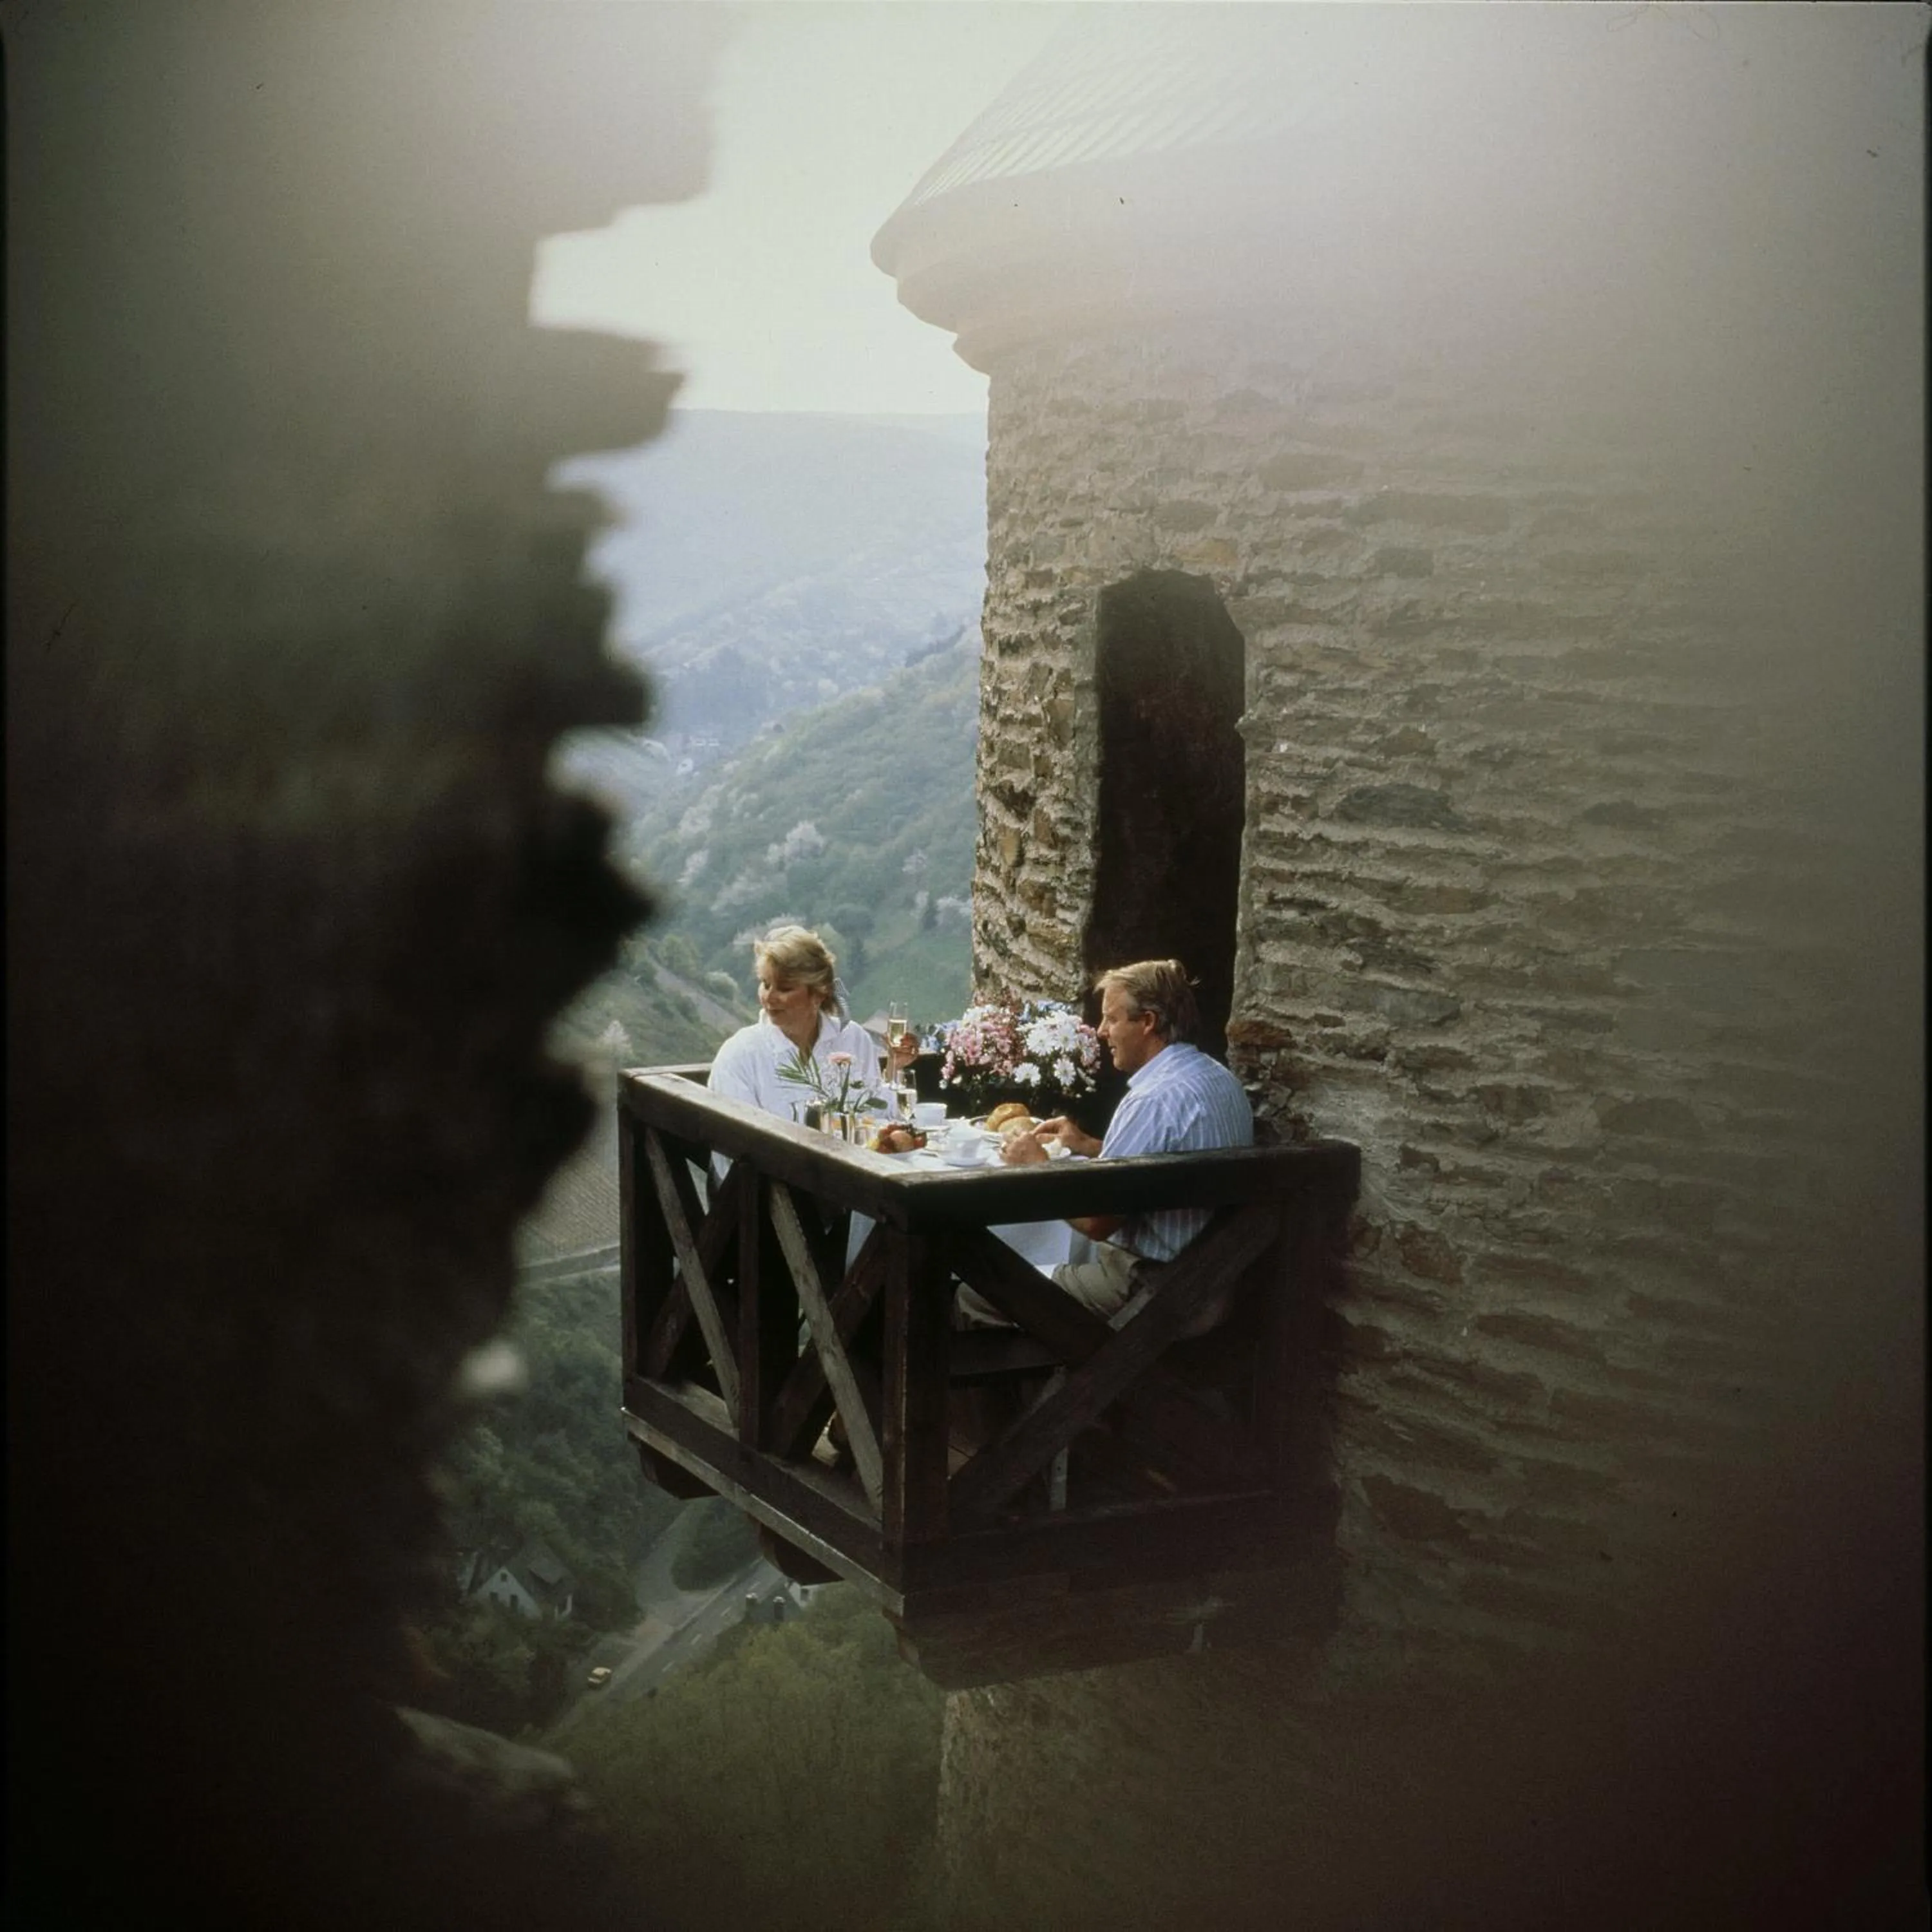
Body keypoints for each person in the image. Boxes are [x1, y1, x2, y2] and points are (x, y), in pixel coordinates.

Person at [987, 958, 1254, 1325]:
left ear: (1148, 1022)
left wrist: (1037, 1166)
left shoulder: (1152, 1099)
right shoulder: (1220, 1079)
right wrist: (1089, 1145)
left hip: (1151, 1291)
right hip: (1213, 1283)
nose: (1101, 1032)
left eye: (1111, 1019)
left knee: (980, 1291)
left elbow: (1096, 1222)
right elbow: (1163, 1162)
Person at [707, 923, 915, 1123]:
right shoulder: (740, 1055)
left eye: (785, 988)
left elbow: (877, 1116)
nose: (769, 997)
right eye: (766, 984)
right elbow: (735, 1140)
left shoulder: (854, 1038)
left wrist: (895, 1067)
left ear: (819, 993)